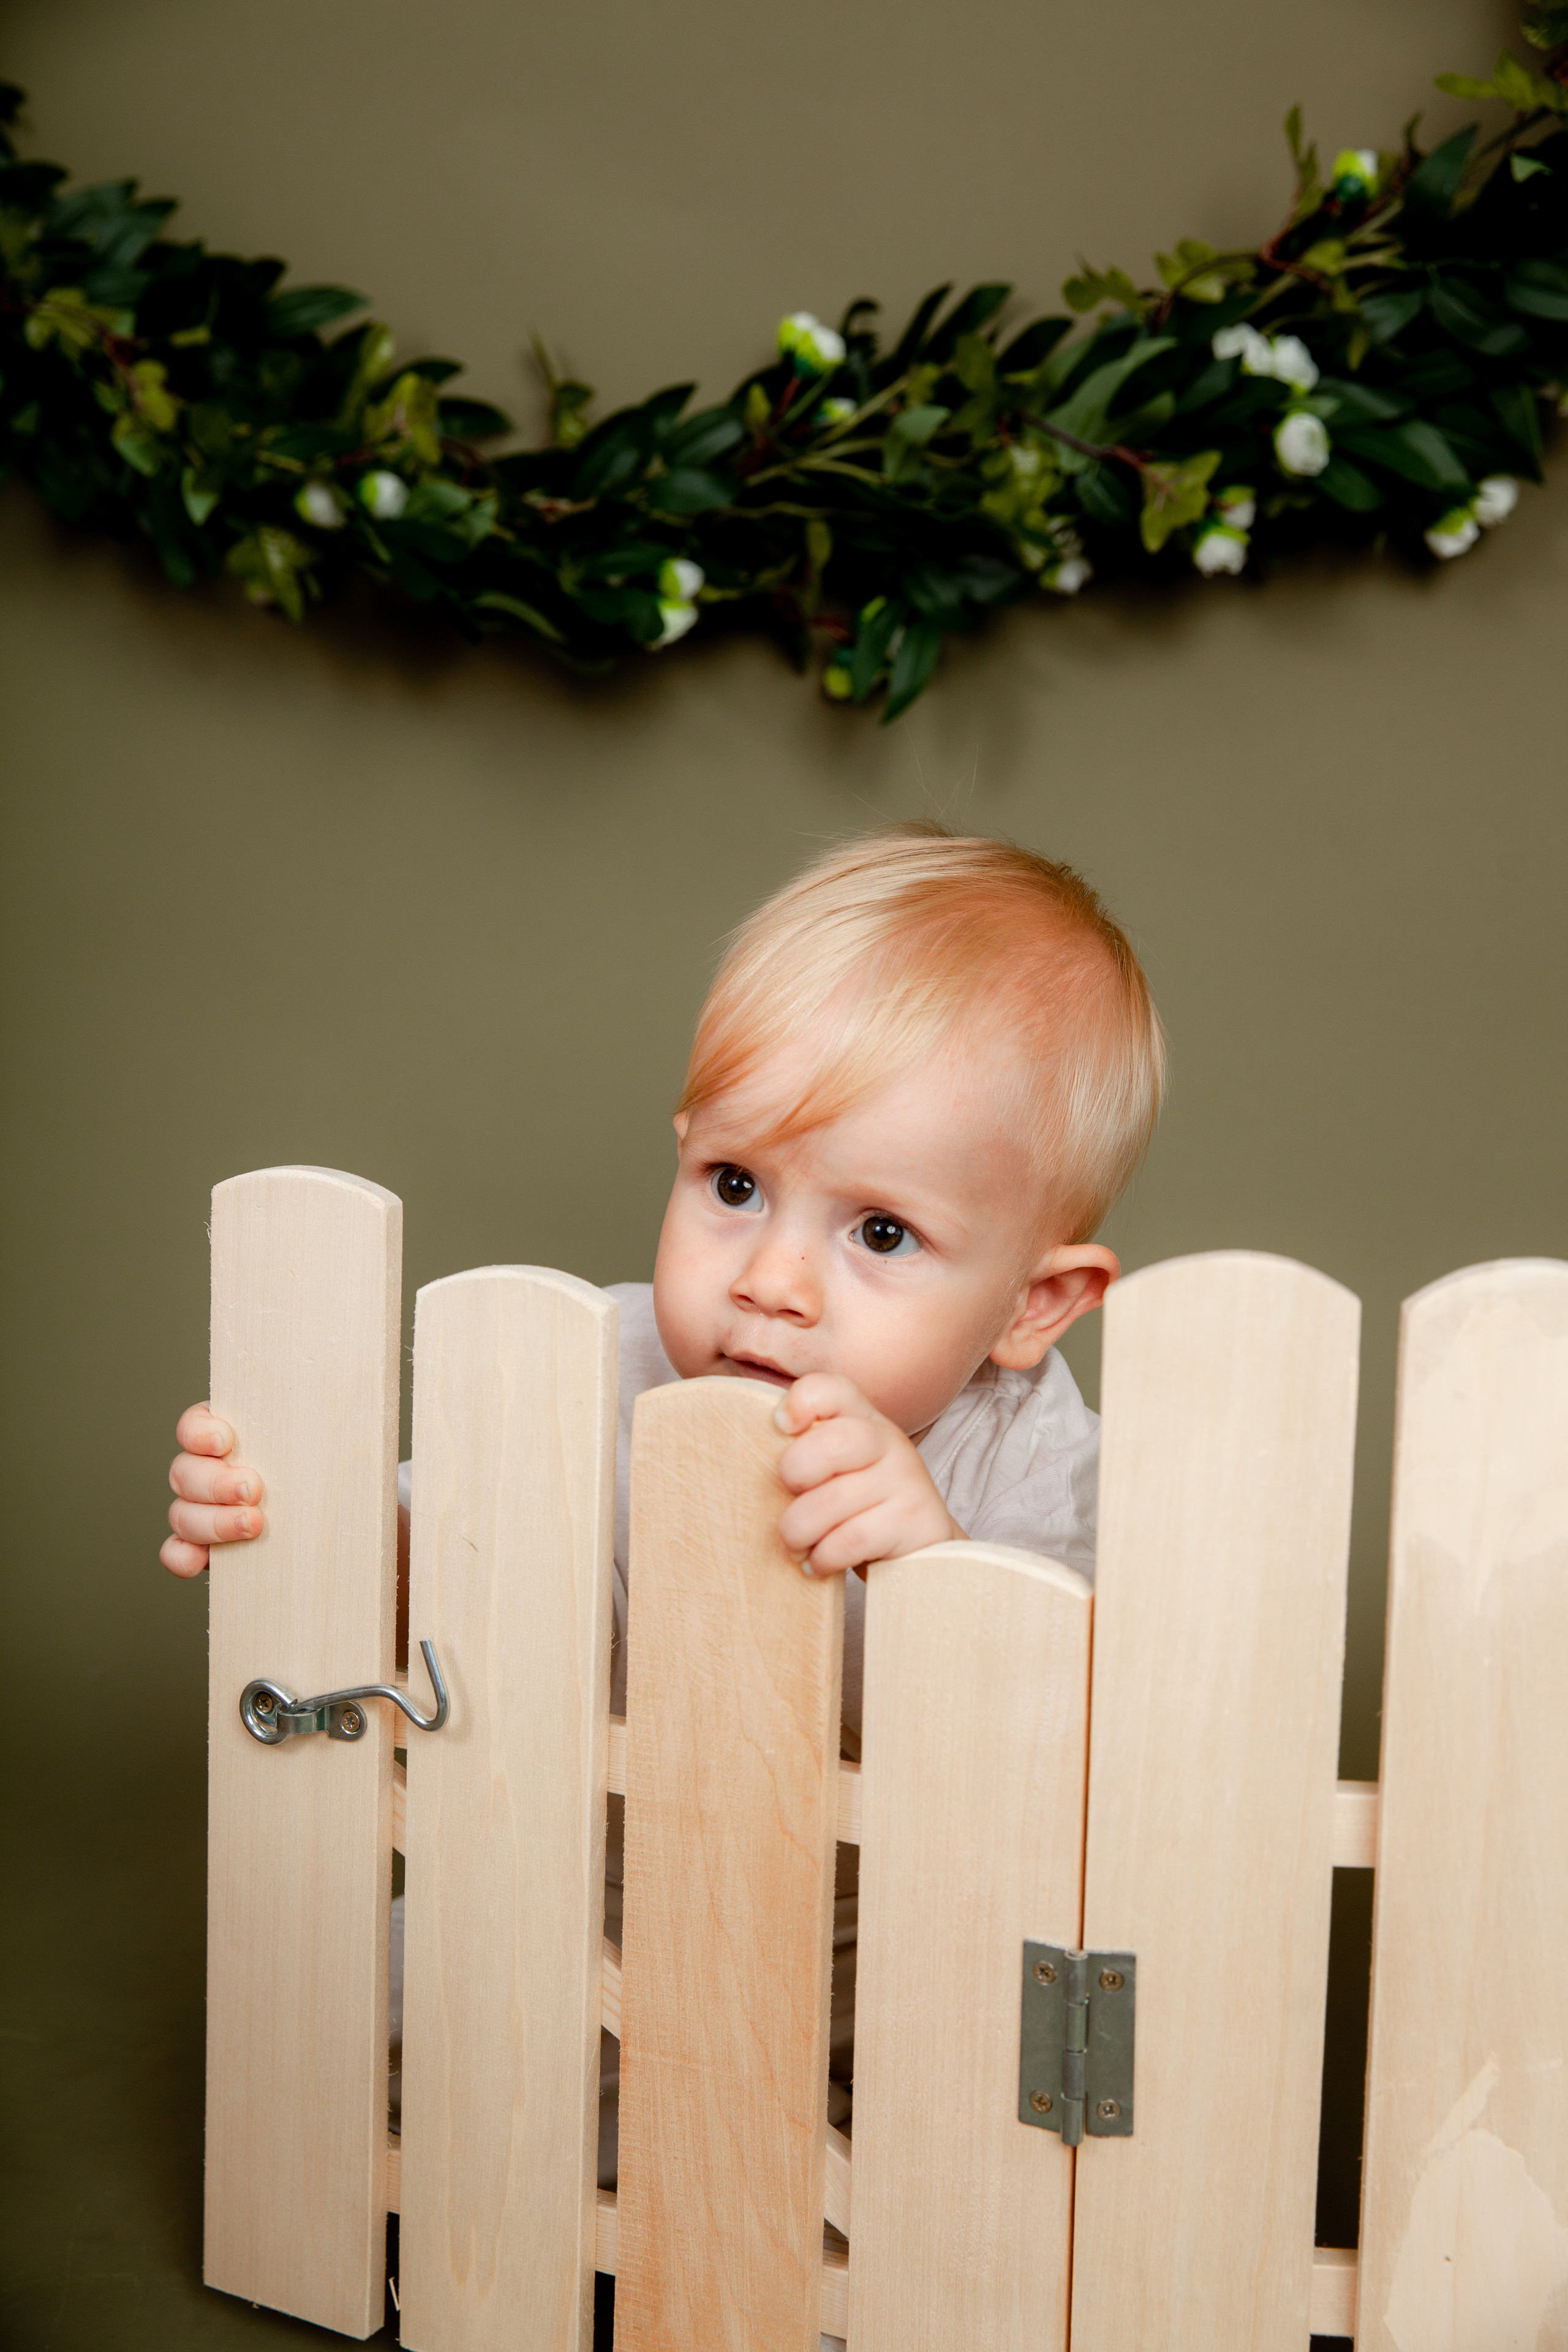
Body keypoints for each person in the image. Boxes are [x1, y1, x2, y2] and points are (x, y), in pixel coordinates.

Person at [159, 819, 1165, 2269]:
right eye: (737, 1186)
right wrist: (293, 1523)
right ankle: (449, 2191)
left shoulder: (1023, 1445)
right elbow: (418, 1576)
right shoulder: (593, 1362)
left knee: (959, 2127)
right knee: (392, 2030)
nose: (768, 1282)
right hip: (561, 1886)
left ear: (1031, 1304)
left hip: (851, 1945)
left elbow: (1052, 1779)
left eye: (879, 1233)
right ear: (682, 1155)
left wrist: (928, 1564)